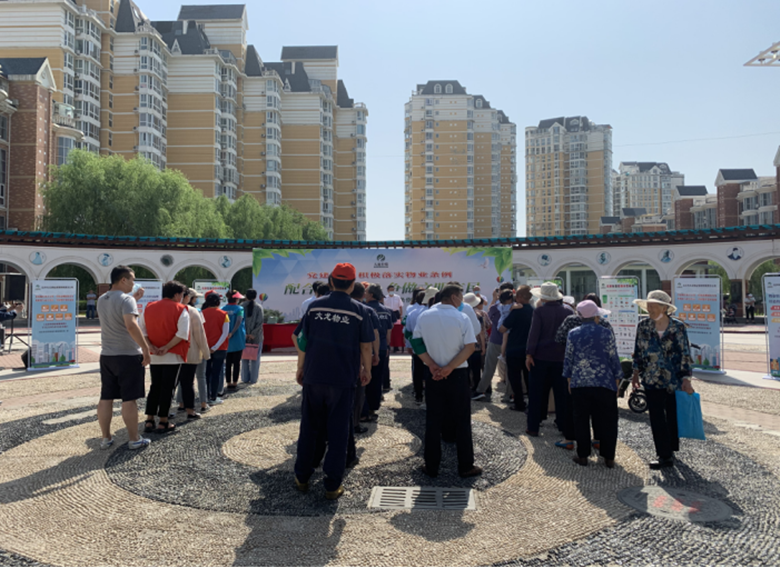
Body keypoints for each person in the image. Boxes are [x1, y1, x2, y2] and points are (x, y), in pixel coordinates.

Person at [294, 263, 374, 500]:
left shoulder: (314, 307)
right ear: (352, 284)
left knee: (309, 427)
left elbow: (302, 340)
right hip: (342, 379)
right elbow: (366, 345)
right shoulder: (360, 310)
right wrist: (367, 369)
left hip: (314, 376)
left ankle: (302, 477)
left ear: (331, 281)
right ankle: (332, 484)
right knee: (338, 431)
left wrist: (300, 367)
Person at [412, 283, 482, 479]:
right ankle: (466, 465)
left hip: (433, 374)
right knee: (462, 420)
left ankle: (431, 465)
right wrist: (450, 367)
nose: (461, 301)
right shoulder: (461, 317)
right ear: (453, 297)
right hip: (457, 374)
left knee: (433, 420)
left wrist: (432, 365)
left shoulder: (425, 316)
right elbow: (470, 347)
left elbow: (416, 342)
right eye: (460, 297)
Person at [632, 290, 695, 470]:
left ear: (664, 308)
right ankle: (664, 454)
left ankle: (671, 447)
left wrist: (686, 378)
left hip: (673, 378)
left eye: (653, 306)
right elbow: (638, 351)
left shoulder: (678, 327)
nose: (650, 309)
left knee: (672, 414)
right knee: (656, 416)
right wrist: (635, 373)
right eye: (648, 306)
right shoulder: (643, 326)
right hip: (651, 378)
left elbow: (684, 353)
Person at [96, 266, 151, 450]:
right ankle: (134, 438)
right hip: (128, 355)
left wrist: (134, 299)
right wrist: (145, 348)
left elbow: (116, 312)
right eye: (132, 280)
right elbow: (131, 325)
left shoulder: (102, 299)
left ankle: (105, 438)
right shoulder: (127, 300)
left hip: (107, 355)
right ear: (123, 280)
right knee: (129, 399)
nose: (134, 283)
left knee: (106, 397)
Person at [563, 300, 622, 468]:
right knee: (608, 420)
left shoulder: (573, 333)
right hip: (604, 381)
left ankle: (583, 455)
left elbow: (568, 359)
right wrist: (617, 379)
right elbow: (613, 357)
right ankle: (609, 457)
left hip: (580, 381)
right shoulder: (606, 333)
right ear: (596, 316)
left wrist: (569, 380)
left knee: (581, 420)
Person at [525, 282, 575, 443]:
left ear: (544, 297)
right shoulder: (568, 311)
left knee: (536, 394)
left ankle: (533, 426)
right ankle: (564, 426)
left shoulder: (539, 311)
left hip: (540, 358)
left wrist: (529, 354)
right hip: (562, 358)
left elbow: (534, 334)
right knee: (562, 395)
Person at [139, 280, 190, 434]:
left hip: (154, 355)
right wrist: (167, 347)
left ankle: (149, 419)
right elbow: (182, 333)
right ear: (177, 294)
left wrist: (151, 346)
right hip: (173, 355)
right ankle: (163, 421)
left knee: (155, 386)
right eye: (182, 294)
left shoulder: (149, 307)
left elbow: (142, 330)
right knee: (168, 387)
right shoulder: (181, 309)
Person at [173, 288, 210, 420]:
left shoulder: (172, 309)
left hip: (172, 352)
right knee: (189, 381)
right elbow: (200, 333)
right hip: (191, 351)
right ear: (188, 297)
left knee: (172, 382)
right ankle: (192, 409)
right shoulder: (194, 311)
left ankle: (168, 410)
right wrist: (206, 352)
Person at [473, 289, 515, 401]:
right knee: (510, 370)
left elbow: (489, 321)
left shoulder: (494, 308)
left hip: (495, 340)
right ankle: (511, 394)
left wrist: (494, 299)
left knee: (489, 368)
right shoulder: (515, 308)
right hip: (511, 342)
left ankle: (481, 390)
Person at [500, 286, 534, 412]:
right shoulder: (534, 311)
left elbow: (502, 328)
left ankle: (519, 403)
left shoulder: (516, 311)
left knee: (515, 378)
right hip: (529, 349)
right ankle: (533, 403)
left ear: (519, 297)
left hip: (514, 348)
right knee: (529, 378)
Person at [365, 284, 394, 409]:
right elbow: (388, 333)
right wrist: (386, 346)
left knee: (364, 377)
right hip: (382, 347)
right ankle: (374, 406)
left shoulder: (364, 309)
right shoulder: (387, 311)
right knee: (377, 378)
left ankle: (364, 407)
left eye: (366, 292)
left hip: (366, 348)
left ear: (371, 295)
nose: (364, 294)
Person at [201, 291, 230, 406]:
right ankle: (214, 396)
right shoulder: (223, 314)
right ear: (218, 302)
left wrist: (207, 346)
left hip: (205, 347)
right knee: (216, 372)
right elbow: (225, 333)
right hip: (220, 348)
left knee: (206, 373)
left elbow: (200, 332)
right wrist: (216, 346)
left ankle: (206, 396)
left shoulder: (201, 314)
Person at [223, 290, 246, 392]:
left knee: (227, 363)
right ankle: (235, 383)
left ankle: (228, 382)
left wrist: (228, 333)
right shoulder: (239, 308)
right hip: (238, 338)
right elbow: (239, 320)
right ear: (236, 299)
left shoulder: (223, 309)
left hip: (226, 339)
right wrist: (232, 332)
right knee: (236, 362)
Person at [241, 289, 265, 385]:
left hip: (244, 337)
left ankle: (245, 378)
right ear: (255, 297)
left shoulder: (241, 307)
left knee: (244, 358)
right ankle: (253, 379)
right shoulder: (259, 307)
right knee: (255, 358)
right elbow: (260, 323)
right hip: (257, 337)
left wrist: (246, 333)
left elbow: (240, 322)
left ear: (246, 296)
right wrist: (253, 334)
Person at [463, 293, 487, 392]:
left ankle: (467, 387)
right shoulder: (479, 314)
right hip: (476, 346)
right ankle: (477, 388)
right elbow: (481, 332)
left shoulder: (462, 314)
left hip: (465, 346)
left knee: (466, 369)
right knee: (477, 369)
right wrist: (483, 347)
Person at [384, 285, 404, 353]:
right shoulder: (385, 298)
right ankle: (388, 345)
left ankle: (396, 347)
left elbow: (400, 306)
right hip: (388, 313)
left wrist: (401, 315)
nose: (392, 291)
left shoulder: (397, 297)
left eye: (393, 290)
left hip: (396, 313)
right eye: (390, 290)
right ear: (388, 290)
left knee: (396, 330)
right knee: (389, 329)